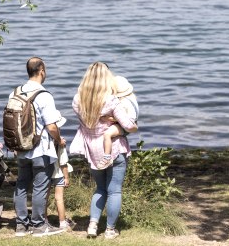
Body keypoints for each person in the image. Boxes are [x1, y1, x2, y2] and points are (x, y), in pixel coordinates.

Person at [70, 62, 138, 240]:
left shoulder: (78, 100)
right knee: (114, 190)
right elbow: (129, 125)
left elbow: (87, 120)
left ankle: (92, 226)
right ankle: (109, 230)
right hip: (114, 149)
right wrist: (126, 124)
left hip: (93, 151)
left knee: (100, 189)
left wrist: (100, 117)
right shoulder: (111, 100)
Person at [12, 57, 67, 237]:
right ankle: (38, 226)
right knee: (39, 187)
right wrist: (59, 141)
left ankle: (21, 225)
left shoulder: (15, 92)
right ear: (41, 70)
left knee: (21, 186)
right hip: (40, 149)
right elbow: (51, 126)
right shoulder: (44, 95)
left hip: (21, 148)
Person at [97, 76, 139, 170]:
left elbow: (126, 119)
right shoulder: (132, 98)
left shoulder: (123, 102)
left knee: (107, 134)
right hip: (129, 123)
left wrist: (108, 118)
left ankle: (107, 157)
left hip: (125, 125)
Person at [46, 113, 76, 230]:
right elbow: (63, 163)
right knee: (59, 198)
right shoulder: (61, 143)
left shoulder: (45, 142)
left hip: (46, 174)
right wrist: (66, 177)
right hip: (58, 174)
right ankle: (62, 222)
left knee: (44, 197)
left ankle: (44, 220)